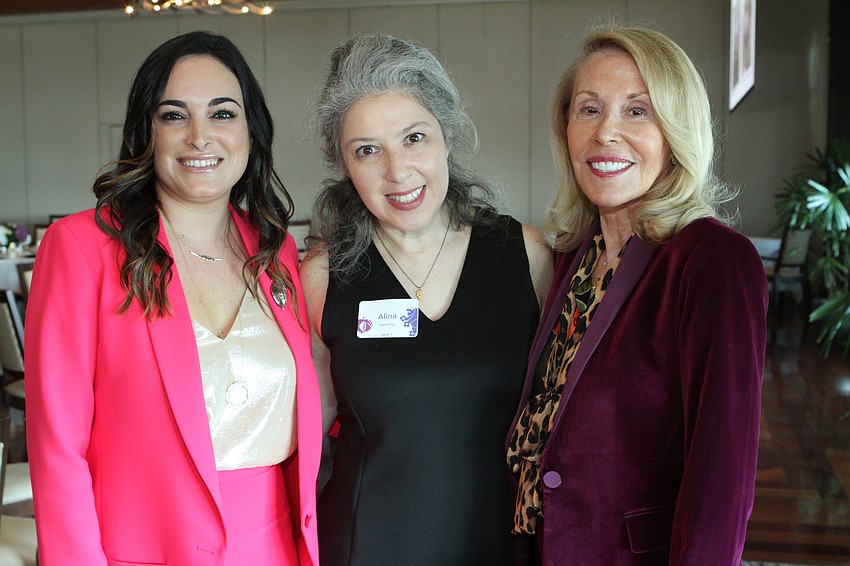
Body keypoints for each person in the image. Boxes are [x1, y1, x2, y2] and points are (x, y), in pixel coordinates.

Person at [25, 31, 321, 566]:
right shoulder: (82, 248)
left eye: (223, 114)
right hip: (144, 549)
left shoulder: (276, 253)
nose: (200, 136)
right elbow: (57, 449)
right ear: (147, 132)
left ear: (251, 131)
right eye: (174, 115)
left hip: (273, 545)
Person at [506, 25, 768, 565]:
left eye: (637, 111)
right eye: (589, 109)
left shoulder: (713, 260)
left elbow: (722, 474)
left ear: (676, 130)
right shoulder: (571, 257)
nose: (606, 133)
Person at [300, 33, 553, 566]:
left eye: (414, 138)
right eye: (367, 150)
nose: (397, 171)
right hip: (366, 543)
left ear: (447, 138)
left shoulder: (525, 257)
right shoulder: (323, 277)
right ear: (345, 165)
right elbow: (306, 430)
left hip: (500, 540)